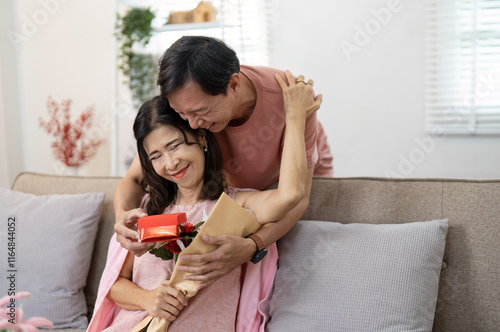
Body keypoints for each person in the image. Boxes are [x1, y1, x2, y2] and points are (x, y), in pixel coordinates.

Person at [88, 71, 321, 331]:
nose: (170, 163)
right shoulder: (147, 211)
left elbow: (291, 195)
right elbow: (115, 285)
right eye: (156, 156)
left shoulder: (235, 206)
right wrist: (148, 298)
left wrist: (295, 116)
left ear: (201, 138)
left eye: (175, 146)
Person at [113, 36, 333, 289]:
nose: (192, 124)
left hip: (278, 184)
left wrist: (254, 244)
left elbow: (297, 197)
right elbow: (133, 178)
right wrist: (122, 223)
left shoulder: (290, 101)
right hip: (232, 192)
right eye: (183, 114)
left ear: (234, 84)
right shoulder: (187, 100)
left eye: (200, 112)